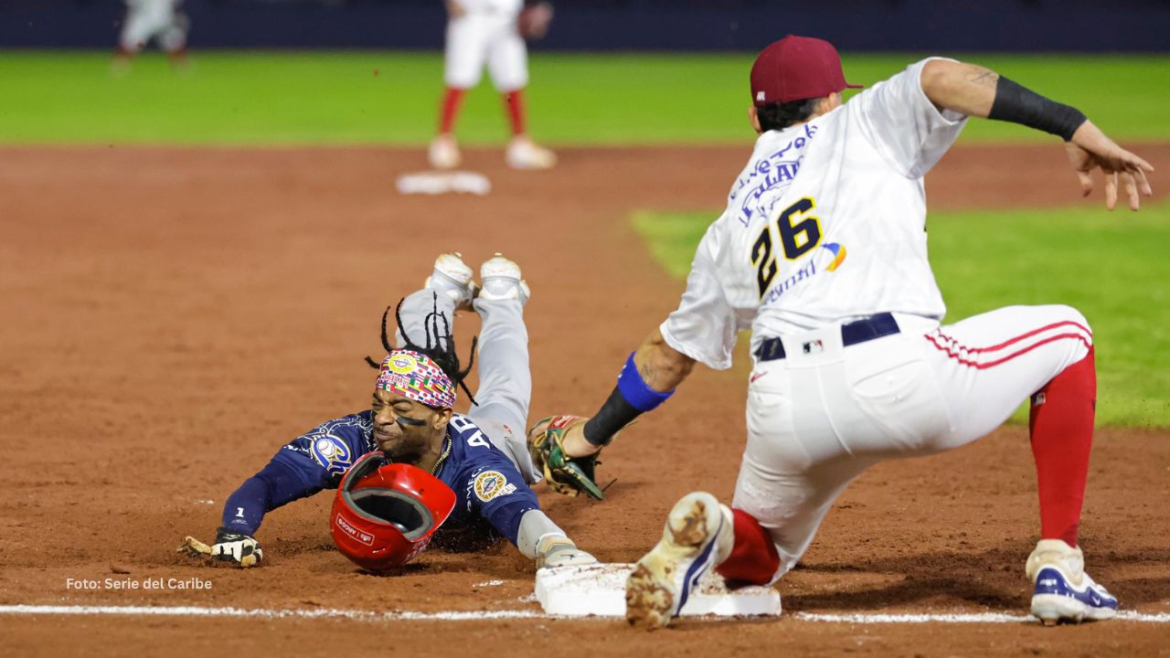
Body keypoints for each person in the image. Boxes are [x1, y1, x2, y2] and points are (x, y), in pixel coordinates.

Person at [529, 36, 1154, 628]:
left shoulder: (732, 220)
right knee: (1069, 335)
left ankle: (717, 529)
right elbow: (942, 76)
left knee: (762, 555)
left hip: (783, 406)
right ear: (832, 99)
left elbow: (669, 357)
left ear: (755, 118)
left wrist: (588, 436)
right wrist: (1072, 123)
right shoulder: (861, 120)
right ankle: (1060, 565)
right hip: (898, 378)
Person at [185, 253, 596, 571]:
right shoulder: (355, 437)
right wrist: (235, 530)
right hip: (434, 420)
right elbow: (271, 481)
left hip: (492, 432)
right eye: (378, 403)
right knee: (415, 353)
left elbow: (522, 516)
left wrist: (557, 549)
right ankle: (441, 292)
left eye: (399, 408)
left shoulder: (480, 462)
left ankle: (501, 302)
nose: (382, 418)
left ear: (440, 415)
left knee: (505, 388)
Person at [429, 0, 557, 170]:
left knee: (512, 82)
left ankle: (520, 144)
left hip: (507, 20)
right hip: (470, 18)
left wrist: (537, 8)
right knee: (459, 79)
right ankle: (443, 141)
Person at [113, 0, 189, 69]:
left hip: (164, 20)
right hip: (144, 20)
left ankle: (181, 65)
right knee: (133, 43)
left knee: (174, 42)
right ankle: (120, 64)